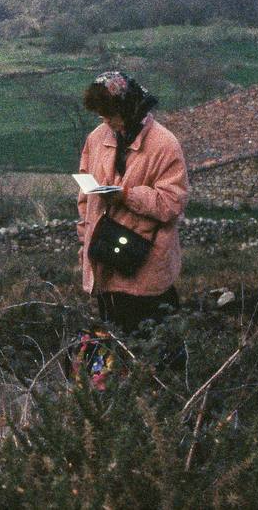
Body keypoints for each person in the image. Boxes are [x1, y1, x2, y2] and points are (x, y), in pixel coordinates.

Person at [77, 71, 187, 335]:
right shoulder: (96, 139)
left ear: (129, 108)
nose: (106, 121)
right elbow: (85, 198)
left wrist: (126, 196)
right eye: (101, 115)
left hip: (146, 266)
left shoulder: (165, 145)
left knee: (155, 350)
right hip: (106, 263)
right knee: (114, 349)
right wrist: (85, 240)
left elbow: (172, 203)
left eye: (111, 114)